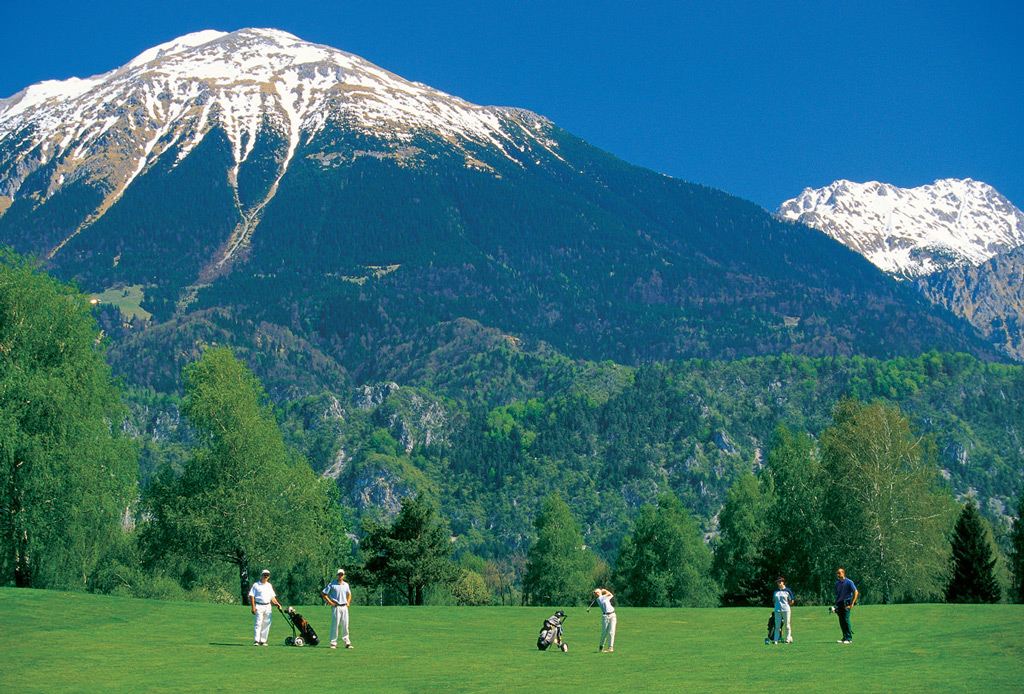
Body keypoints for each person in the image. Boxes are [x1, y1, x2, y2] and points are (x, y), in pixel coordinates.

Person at [321, 568, 354, 649]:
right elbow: (324, 593)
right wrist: (330, 602)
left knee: (345, 625)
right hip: (336, 607)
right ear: (337, 575)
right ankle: (333, 643)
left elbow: (349, 594)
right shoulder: (332, 584)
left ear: (344, 576)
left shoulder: (346, 585)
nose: (340, 576)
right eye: (339, 574)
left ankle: (347, 642)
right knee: (335, 625)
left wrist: (348, 602)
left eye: (342, 575)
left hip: (344, 607)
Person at [248, 569, 282, 646]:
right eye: (265, 575)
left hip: (268, 606)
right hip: (259, 605)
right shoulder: (256, 585)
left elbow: (272, 597)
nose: (266, 576)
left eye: (267, 575)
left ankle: (263, 640)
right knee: (258, 623)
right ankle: (256, 640)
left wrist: (277, 604)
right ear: (261, 575)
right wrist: (253, 607)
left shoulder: (269, 586)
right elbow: (252, 596)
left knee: (266, 623)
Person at [834, 567, 858, 643]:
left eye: (839, 573)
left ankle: (849, 638)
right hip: (839, 603)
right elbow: (837, 595)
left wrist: (852, 603)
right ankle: (844, 637)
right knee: (841, 621)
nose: (838, 575)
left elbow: (855, 592)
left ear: (843, 573)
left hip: (846, 603)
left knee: (846, 620)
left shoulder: (849, 582)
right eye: (837, 573)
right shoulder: (837, 584)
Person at [772, 577, 795, 644]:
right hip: (777, 610)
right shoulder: (776, 591)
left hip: (786, 610)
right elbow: (774, 600)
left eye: (780, 582)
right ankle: (775, 639)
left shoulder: (787, 591)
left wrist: (787, 605)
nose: (779, 583)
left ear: (783, 582)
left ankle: (788, 639)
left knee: (787, 625)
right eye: (778, 582)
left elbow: (791, 600)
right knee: (777, 626)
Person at [594, 588, 616, 653]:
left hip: (612, 614)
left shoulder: (604, 597)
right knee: (604, 632)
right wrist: (605, 591)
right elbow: (608, 594)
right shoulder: (599, 599)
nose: (596, 594)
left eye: (597, 592)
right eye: (595, 593)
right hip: (605, 616)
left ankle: (610, 648)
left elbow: (611, 595)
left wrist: (604, 591)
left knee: (612, 632)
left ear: (600, 592)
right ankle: (601, 646)